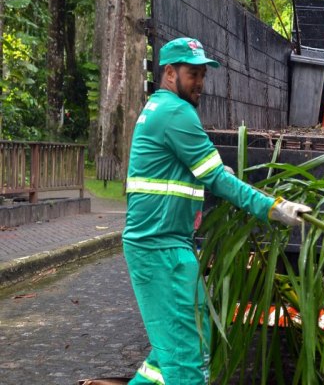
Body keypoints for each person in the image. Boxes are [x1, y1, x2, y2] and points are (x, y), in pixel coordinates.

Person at [123, 37, 311, 385]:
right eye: (193, 74)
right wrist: (274, 207)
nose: (200, 84)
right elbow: (217, 180)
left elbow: (205, 172)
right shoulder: (175, 112)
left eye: (203, 75)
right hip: (160, 248)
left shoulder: (162, 108)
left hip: (167, 245)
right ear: (169, 72)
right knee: (186, 363)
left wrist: (220, 174)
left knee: (179, 347)